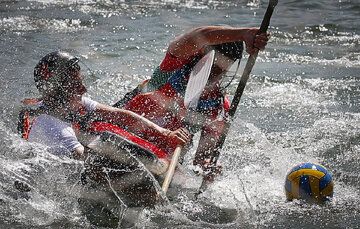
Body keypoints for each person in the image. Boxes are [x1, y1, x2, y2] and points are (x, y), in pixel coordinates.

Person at [114, 25, 269, 182]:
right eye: (213, 65)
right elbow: (197, 36)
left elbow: (201, 159)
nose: (215, 72)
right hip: (121, 132)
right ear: (201, 53)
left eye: (222, 69)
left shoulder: (217, 106)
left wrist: (208, 166)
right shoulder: (172, 66)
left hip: (160, 158)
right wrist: (244, 34)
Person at [20, 51, 190, 165]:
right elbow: (88, 162)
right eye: (77, 86)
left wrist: (165, 133)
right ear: (58, 91)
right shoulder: (57, 128)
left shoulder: (66, 102)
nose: (84, 90)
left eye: (81, 83)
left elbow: (120, 115)